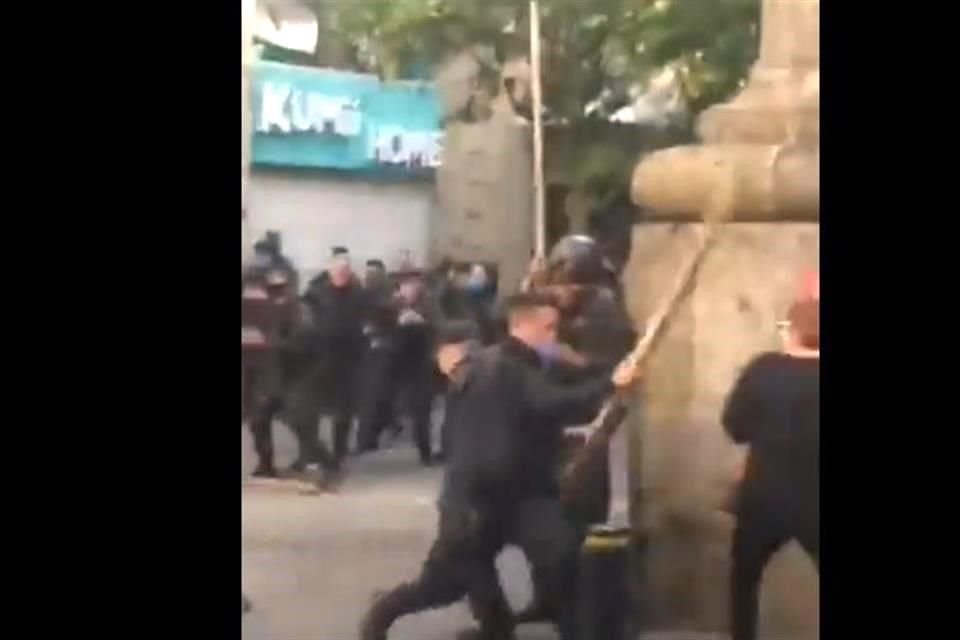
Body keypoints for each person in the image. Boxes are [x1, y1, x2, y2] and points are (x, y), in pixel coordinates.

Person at [359, 293, 643, 640]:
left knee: (564, 557)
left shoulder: (526, 365)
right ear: (522, 326)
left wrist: (614, 375)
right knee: (445, 583)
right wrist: (611, 384)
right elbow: (554, 403)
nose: (555, 336)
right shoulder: (501, 368)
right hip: (475, 498)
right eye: (549, 328)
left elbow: (572, 388)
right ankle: (384, 612)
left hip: (521, 495)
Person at [722, 298, 819, 640]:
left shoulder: (764, 369)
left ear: (791, 331)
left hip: (763, 494)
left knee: (743, 580)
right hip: (815, 499)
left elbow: (734, 427)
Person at [302, 254, 367, 469]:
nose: (341, 275)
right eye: (338, 271)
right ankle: (311, 451)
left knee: (343, 409)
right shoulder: (317, 294)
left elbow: (369, 319)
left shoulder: (359, 294)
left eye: (345, 271)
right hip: (322, 357)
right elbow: (305, 319)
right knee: (312, 406)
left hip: (349, 359)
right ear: (330, 272)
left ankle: (339, 451)